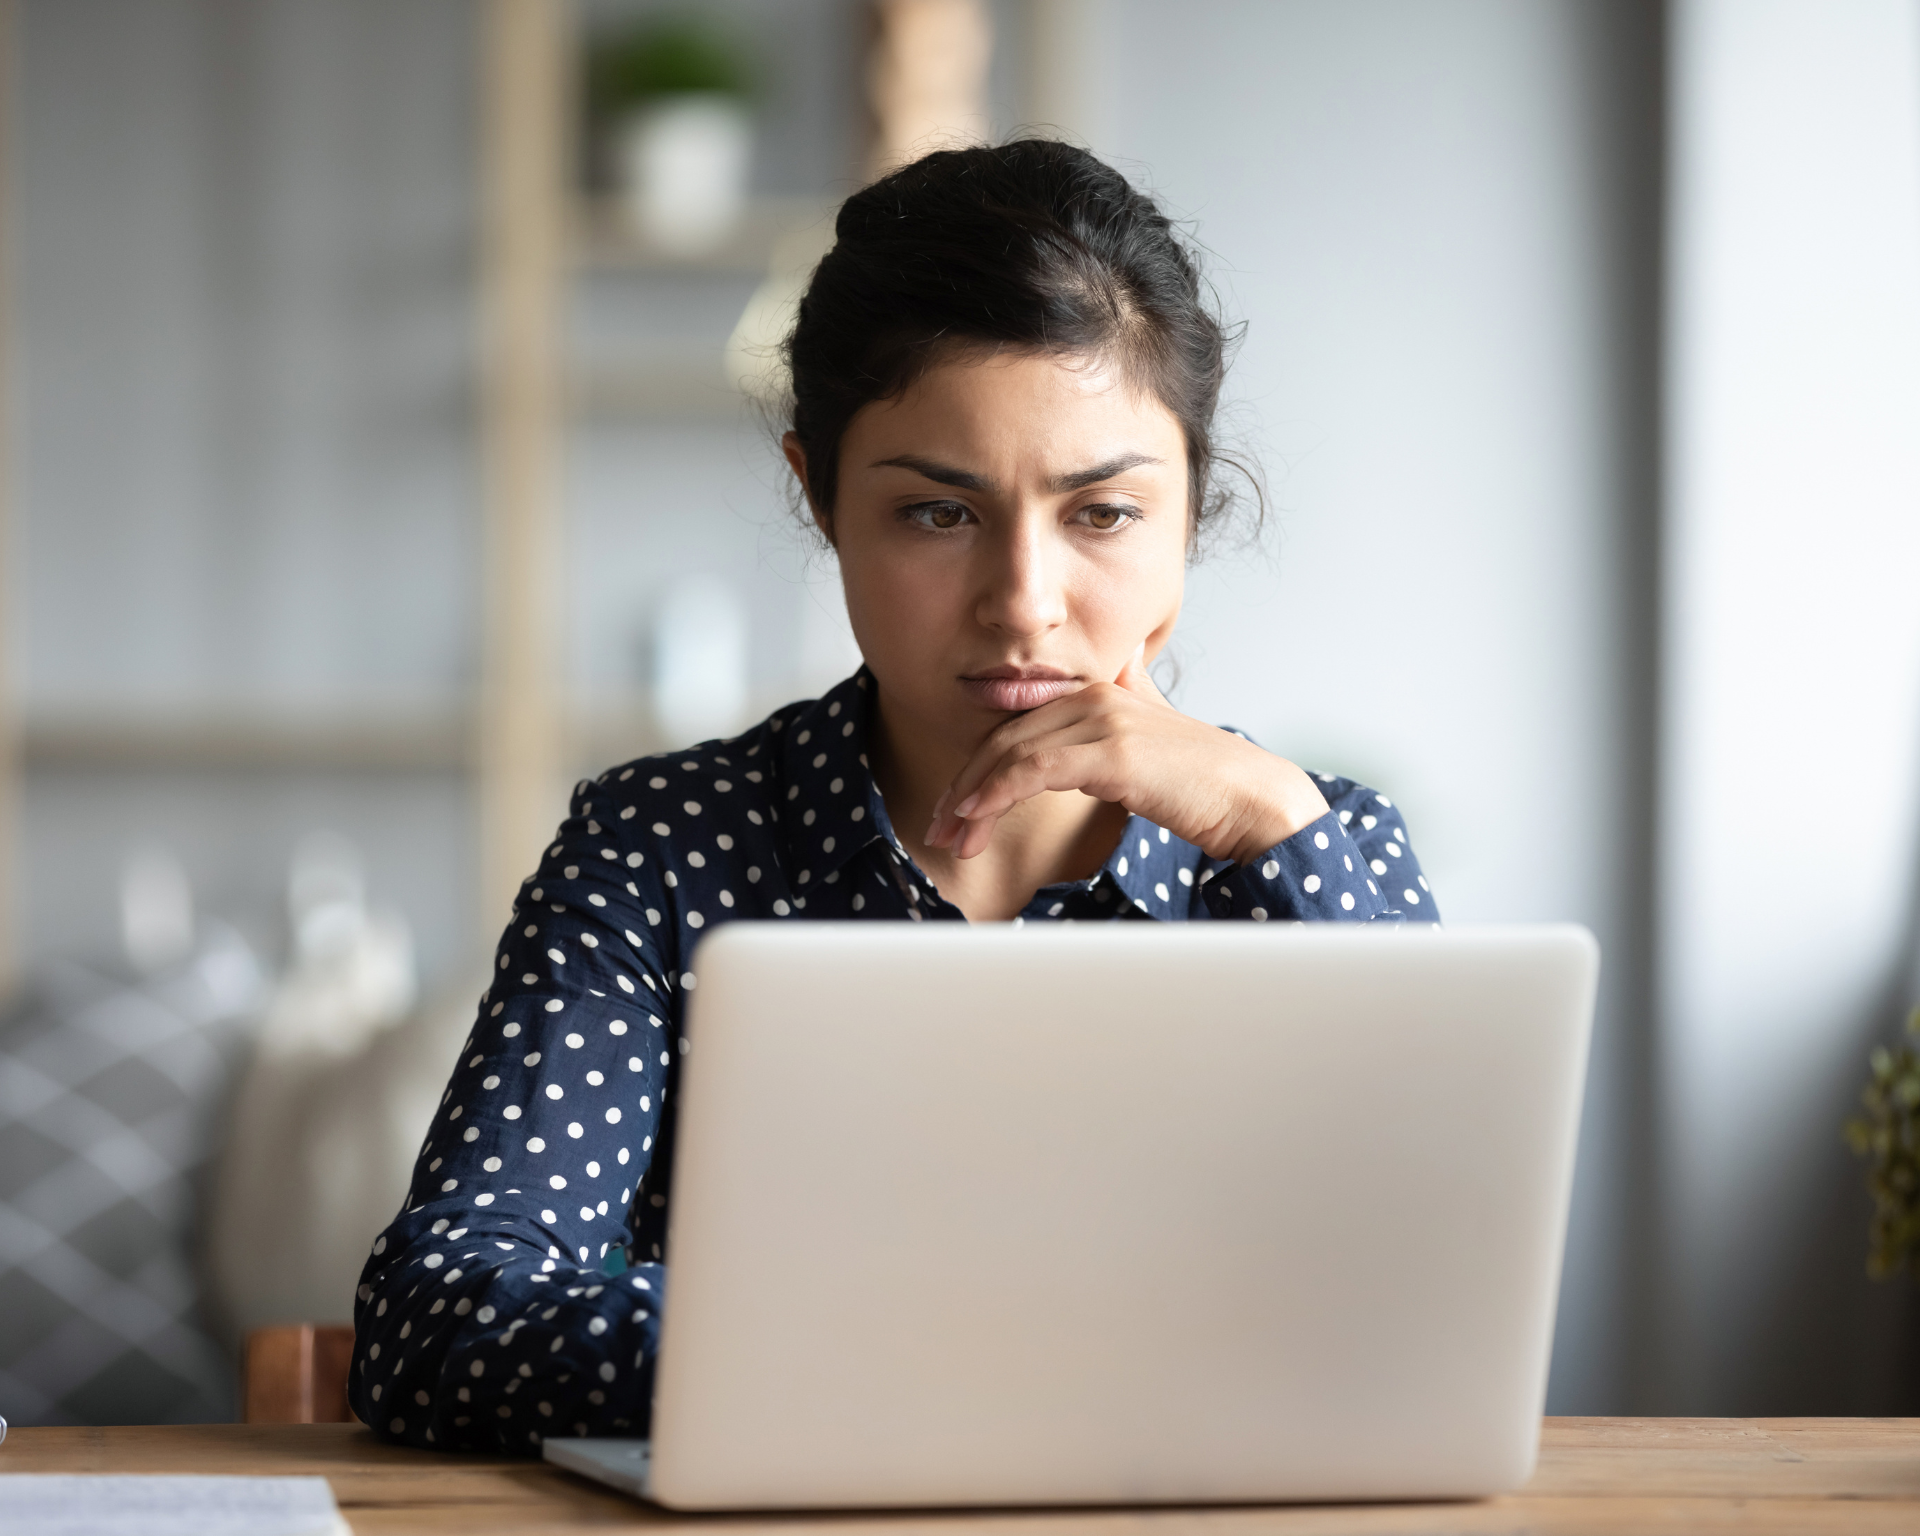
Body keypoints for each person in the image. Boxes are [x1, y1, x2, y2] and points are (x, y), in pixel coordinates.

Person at [349, 140, 1435, 1451]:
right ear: (820, 499)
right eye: (938, 515)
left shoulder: (1316, 849)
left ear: (1189, 514)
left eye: (1101, 516)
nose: (1023, 602)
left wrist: (1268, 829)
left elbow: (1426, 1309)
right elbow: (441, 1325)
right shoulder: (663, 855)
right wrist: (987, 1350)